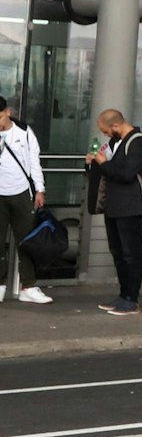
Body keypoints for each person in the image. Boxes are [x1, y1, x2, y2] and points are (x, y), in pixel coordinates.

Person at [85, 108, 142, 315]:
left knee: (132, 253)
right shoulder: (115, 143)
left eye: (106, 131)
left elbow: (125, 174)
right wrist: (93, 164)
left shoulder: (138, 143)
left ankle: (132, 298)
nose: (105, 135)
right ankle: (124, 295)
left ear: (116, 125)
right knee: (118, 253)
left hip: (130, 206)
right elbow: (108, 172)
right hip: (113, 206)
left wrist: (104, 163)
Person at [0, 96, 50, 305]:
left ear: (8, 112)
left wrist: (40, 189)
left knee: (27, 240)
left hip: (22, 193)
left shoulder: (24, 132)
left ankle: (28, 286)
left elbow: (34, 163)